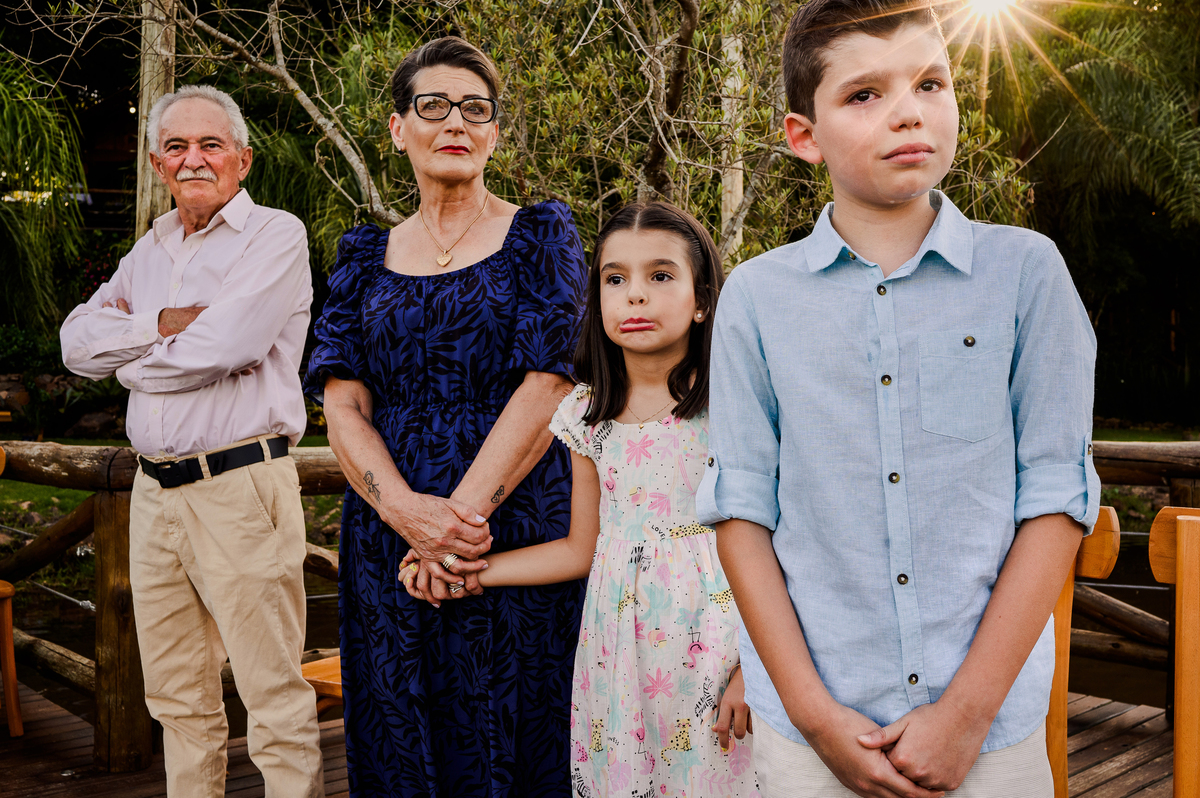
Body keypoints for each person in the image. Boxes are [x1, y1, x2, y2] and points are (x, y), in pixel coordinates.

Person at [698, 1, 1100, 796]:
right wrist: (815, 717)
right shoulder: (755, 298)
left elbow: (1057, 497)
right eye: (864, 94)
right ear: (803, 135)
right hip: (809, 738)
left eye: (929, 83)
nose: (909, 112)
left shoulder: (1026, 274)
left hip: (991, 736)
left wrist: (966, 716)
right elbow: (740, 513)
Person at [304, 36, 588, 797]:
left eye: (475, 108)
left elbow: (549, 383)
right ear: (399, 129)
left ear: (495, 132)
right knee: (400, 732)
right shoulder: (362, 256)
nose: (455, 121)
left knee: (514, 730)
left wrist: (453, 531)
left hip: (512, 527)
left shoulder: (542, 236)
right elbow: (342, 402)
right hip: (388, 539)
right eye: (433, 105)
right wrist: (406, 515)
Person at [402, 202, 761, 797]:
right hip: (617, 649)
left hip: (715, 642)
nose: (635, 294)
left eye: (661, 275)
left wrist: (755, 667)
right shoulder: (585, 416)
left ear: (702, 300)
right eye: (615, 279)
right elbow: (580, 548)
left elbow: (778, 546)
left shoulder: (731, 402)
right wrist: (469, 571)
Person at [60, 84, 323, 797]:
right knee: (176, 696)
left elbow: (227, 346)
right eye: (176, 146)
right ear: (157, 164)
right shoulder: (149, 251)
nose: (194, 158)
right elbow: (76, 345)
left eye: (211, 144)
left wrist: (129, 364)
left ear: (242, 158)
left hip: (240, 487)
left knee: (272, 694)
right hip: (154, 493)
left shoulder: (274, 235)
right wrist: (162, 324)